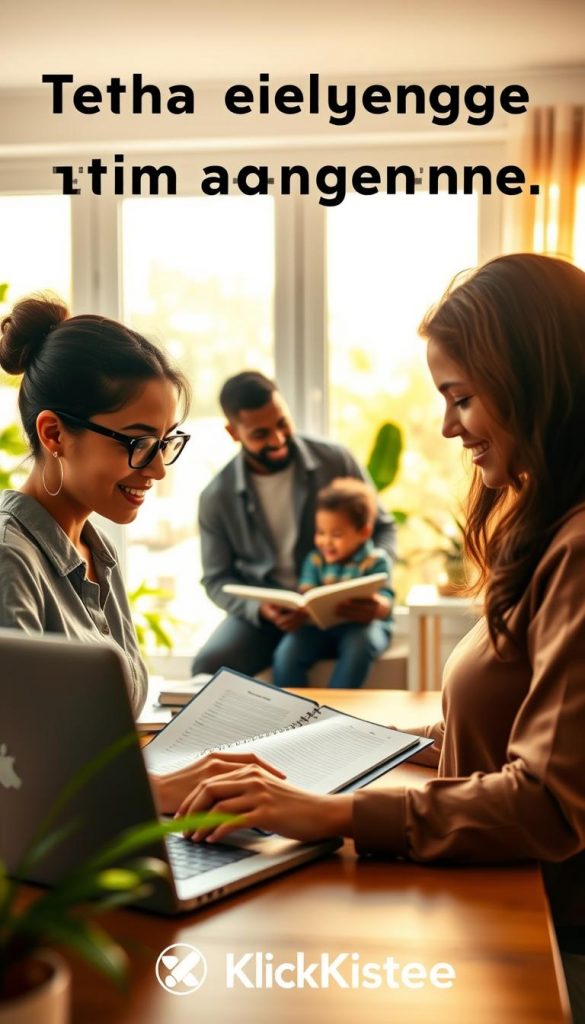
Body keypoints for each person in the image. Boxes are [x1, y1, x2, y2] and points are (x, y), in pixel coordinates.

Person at [155, 254, 585, 1022]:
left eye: (461, 398)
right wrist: (356, 743)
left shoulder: (578, 548)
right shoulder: (549, 527)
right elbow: (500, 727)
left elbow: (549, 803)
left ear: (534, 383)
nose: (447, 425)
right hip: (494, 891)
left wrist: (336, 815)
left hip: (552, 932)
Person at [0, 295, 191, 717]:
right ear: (53, 435)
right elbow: (17, 764)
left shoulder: (97, 550)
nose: (157, 469)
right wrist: (160, 787)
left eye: (164, 443)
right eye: (138, 443)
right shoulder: (9, 559)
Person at [191, 371, 396, 677]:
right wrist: (260, 610)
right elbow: (216, 579)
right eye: (260, 434)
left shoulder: (335, 460)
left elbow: (383, 528)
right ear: (233, 433)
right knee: (208, 666)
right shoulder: (216, 498)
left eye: (282, 424)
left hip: (343, 608)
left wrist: (373, 583)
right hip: (265, 620)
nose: (278, 440)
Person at [271, 477, 394, 688]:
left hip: (362, 626)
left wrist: (379, 606)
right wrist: (301, 607)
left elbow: (386, 599)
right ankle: (294, 710)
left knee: (360, 646)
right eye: (320, 533)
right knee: (287, 652)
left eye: (336, 534)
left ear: (363, 532)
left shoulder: (376, 560)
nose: (326, 541)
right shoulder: (315, 559)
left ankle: (335, 712)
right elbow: (307, 592)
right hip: (319, 627)